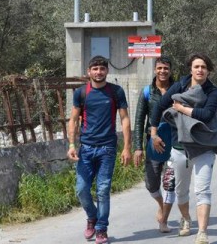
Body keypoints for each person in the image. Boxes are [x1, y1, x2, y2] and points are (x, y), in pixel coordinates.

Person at [150, 53, 217, 244]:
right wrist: (153, 133)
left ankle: (202, 232)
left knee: (202, 189)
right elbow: (158, 106)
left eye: (204, 67)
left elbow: (206, 115)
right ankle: (186, 219)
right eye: (196, 66)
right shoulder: (180, 86)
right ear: (190, 69)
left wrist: (182, 109)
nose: (200, 70)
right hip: (179, 147)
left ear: (208, 70)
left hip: (203, 146)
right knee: (181, 190)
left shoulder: (212, 91)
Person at [67, 56, 132, 244]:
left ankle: (101, 229)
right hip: (85, 149)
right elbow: (73, 120)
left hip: (108, 149)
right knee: (81, 189)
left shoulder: (116, 92)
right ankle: (92, 217)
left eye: (102, 69)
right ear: (89, 71)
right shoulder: (81, 93)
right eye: (94, 68)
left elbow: (125, 119)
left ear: (107, 71)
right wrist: (71, 145)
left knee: (103, 190)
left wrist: (126, 147)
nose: (98, 72)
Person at [132, 56, 176, 233]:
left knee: (170, 183)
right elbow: (138, 120)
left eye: (166, 68)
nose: (163, 71)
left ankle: (164, 220)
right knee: (151, 184)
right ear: (155, 70)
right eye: (159, 68)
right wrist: (138, 147)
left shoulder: (178, 90)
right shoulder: (147, 92)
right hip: (153, 142)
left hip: (174, 142)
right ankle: (161, 204)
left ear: (170, 70)